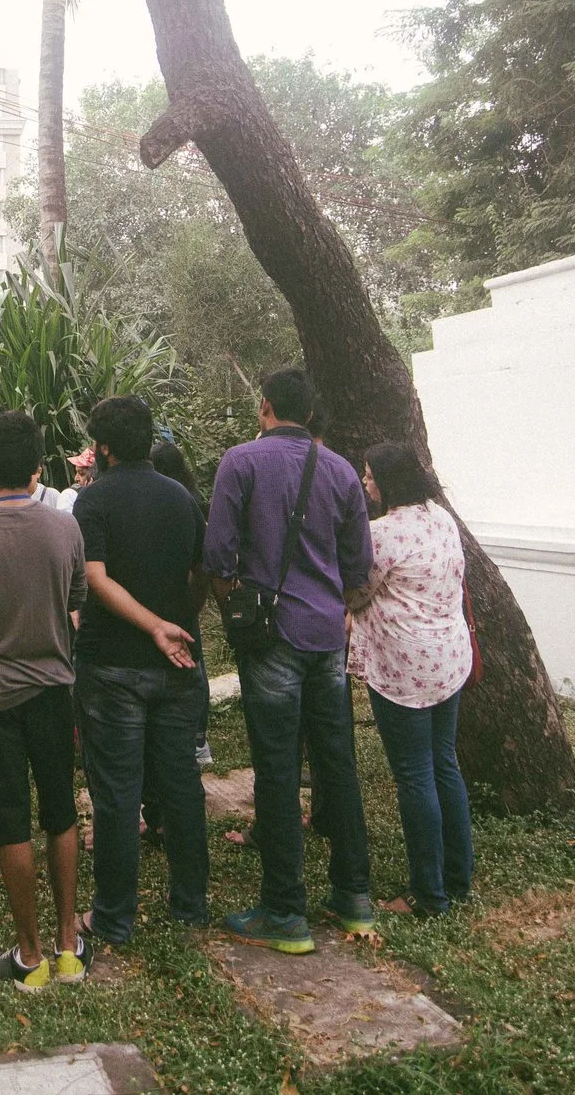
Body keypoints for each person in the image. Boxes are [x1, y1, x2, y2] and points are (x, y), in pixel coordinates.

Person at [204, 367, 376, 953]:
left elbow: (217, 554)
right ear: (311, 412)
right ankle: (355, 899)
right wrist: (337, 605)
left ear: (265, 407)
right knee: (337, 765)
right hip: (328, 636)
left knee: (276, 771)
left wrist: (237, 607)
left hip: (272, 636)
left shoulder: (241, 462)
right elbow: (360, 566)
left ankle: (285, 910)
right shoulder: (343, 471)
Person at [0, 410, 89, 990]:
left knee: (10, 824)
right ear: (37, 468)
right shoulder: (66, 530)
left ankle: (28, 958)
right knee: (60, 812)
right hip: (55, 689)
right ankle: (68, 947)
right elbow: (77, 596)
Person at [73, 395, 210, 945]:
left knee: (116, 792)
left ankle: (113, 917)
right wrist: (180, 617)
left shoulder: (93, 501)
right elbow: (204, 570)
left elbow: (96, 579)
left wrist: (152, 624)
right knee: (181, 784)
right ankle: (191, 904)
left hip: (112, 665)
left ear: (103, 447)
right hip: (179, 661)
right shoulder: (181, 497)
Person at [349, 442, 476, 914]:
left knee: (415, 776)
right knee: (445, 764)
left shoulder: (380, 535)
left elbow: (357, 592)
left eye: (369, 475)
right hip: (448, 658)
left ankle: (428, 893)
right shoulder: (442, 518)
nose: (365, 483)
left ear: (389, 482)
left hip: (404, 668)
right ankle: (458, 878)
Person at [149, 439, 217, 776]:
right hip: (184, 601)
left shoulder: (166, 501)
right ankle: (198, 738)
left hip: (168, 600)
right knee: (194, 666)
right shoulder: (190, 501)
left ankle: (193, 739)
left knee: (189, 669)